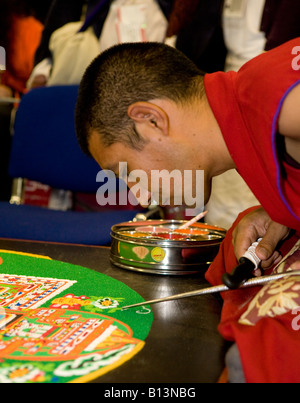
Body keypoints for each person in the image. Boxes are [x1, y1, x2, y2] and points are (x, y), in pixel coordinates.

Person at [75, 40, 300, 382]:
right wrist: (280, 210)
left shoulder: (276, 99)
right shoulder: (255, 118)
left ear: (150, 120)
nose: (136, 192)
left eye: (125, 171)